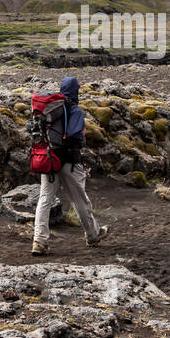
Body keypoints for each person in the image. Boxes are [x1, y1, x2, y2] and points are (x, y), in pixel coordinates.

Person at [32, 76, 108, 255]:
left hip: (49, 160)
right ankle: (92, 235)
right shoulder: (73, 109)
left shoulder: (50, 108)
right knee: (79, 199)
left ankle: (39, 241)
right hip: (69, 162)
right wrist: (82, 134)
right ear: (75, 90)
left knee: (44, 199)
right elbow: (75, 136)